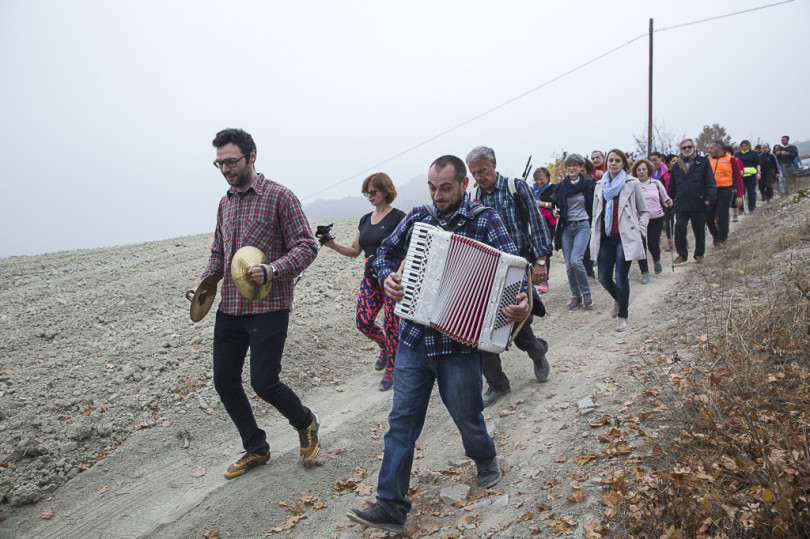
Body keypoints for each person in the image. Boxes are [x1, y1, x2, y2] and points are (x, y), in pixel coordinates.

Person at [346, 155, 530, 533]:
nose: (437, 194)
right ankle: (390, 507)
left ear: (463, 184)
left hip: (459, 345)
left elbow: (515, 270)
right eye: (432, 187)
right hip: (414, 338)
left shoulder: (485, 220)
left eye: (445, 187)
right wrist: (386, 278)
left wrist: (522, 300)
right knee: (401, 423)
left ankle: (485, 458)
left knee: (466, 415)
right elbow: (382, 254)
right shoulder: (418, 218)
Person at [186, 128, 320, 479]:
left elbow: (307, 245)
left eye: (231, 161)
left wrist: (273, 269)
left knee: (264, 382)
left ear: (252, 156)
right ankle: (255, 448)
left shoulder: (280, 197)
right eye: (220, 163)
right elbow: (219, 252)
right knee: (225, 381)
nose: (226, 169)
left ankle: (305, 421)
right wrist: (204, 286)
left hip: (269, 307)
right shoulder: (225, 202)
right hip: (229, 308)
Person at [467, 146, 553, 407]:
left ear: (493, 163)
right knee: (480, 328)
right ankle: (497, 384)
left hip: (516, 268)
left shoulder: (516, 187)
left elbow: (537, 223)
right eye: (473, 173)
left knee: (516, 323)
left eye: (482, 171)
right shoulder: (473, 196)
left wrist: (540, 261)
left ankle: (537, 351)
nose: (478, 177)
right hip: (487, 271)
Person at [322, 173, 406, 391]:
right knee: (363, 321)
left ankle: (393, 368)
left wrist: (398, 274)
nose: (368, 196)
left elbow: (409, 251)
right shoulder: (365, 219)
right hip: (371, 279)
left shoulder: (399, 217)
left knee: (391, 325)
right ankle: (385, 347)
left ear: (385, 191)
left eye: (372, 191)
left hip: (391, 280)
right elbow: (354, 251)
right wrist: (332, 244)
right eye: (365, 192)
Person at [590, 149, 649, 332]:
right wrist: (594, 232)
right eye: (610, 160)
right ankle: (619, 298)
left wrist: (640, 231)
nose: (613, 163)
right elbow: (595, 213)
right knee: (603, 277)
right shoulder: (600, 185)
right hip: (606, 237)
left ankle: (623, 316)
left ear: (623, 163)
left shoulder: (632, 183)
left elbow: (644, 211)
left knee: (621, 278)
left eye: (617, 161)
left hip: (625, 237)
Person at [551, 154, 595, 310]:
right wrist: (555, 211)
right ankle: (575, 296)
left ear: (580, 167)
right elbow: (554, 205)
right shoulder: (560, 187)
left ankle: (586, 293)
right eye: (569, 165)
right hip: (566, 227)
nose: (571, 168)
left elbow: (594, 203)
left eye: (575, 165)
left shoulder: (589, 185)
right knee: (569, 265)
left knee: (577, 260)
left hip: (582, 225)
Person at [668, 138, 716, 264]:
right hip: (682, 203)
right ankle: (682, 254)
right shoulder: (677, 166)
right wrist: (669, 199)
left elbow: (710, 181)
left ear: (693, 148)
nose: (687, 149)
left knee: (699, 229)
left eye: (689, 147)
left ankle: (699, 254)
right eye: (684, 148)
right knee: (679, 228)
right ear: (681, 150)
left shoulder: (703, 162)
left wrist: (709, 197)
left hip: (699, 201)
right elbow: (672, 185)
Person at [631, 159, 672, 282]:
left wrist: (669, 201)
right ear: (635, 172)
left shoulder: (656, 183)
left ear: (648, 170)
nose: (641, 172)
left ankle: (656, 259)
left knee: (653, 244)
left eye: (644, 169)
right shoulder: (633, 185)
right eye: (639, 170)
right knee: (640, 246)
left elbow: (665, 198)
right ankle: (644, 272)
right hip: (639, 220)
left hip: (656, 218)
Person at [707, 141, 743, 247]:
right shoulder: (709, 160)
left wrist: (739, 195)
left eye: (712, 148)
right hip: (712, 190)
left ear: (719, 148)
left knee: (722, 215)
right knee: (708, 217)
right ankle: (715, 235)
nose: (710, 150)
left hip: (726, 189)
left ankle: (722, 239)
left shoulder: (731, 159)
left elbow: (738, 177)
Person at [531, 167, 557, 293]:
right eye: (537, 180)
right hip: (534, 223)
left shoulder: (553, 189)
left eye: (541, 180)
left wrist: (542, 204)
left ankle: (544, 280)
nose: (539, 182)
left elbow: (556, 204)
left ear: (547, 178)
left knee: (545, 251)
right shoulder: (531, 189)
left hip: (548, 223)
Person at [734, 140, 761, 214]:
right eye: (742, 146)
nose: (744, 147)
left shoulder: (754, 154)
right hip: (741, 176)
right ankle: (741, 208)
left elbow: (758, 164)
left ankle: (751, 208)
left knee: (751, 192)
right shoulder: (737, 155)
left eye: (745, 146)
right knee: (741, 193)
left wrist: (758, 172)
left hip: (751, 175)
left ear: (748, 146)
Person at [661, 154, 678, 252]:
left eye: (677, 161)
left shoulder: (682, 174)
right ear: (667, 164)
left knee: (679, 222)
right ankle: (670, 242)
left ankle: (683, 240)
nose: (676, 163)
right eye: (673, 161)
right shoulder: (664, 177)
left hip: (680, 201)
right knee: (669, 222)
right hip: (668, 202)